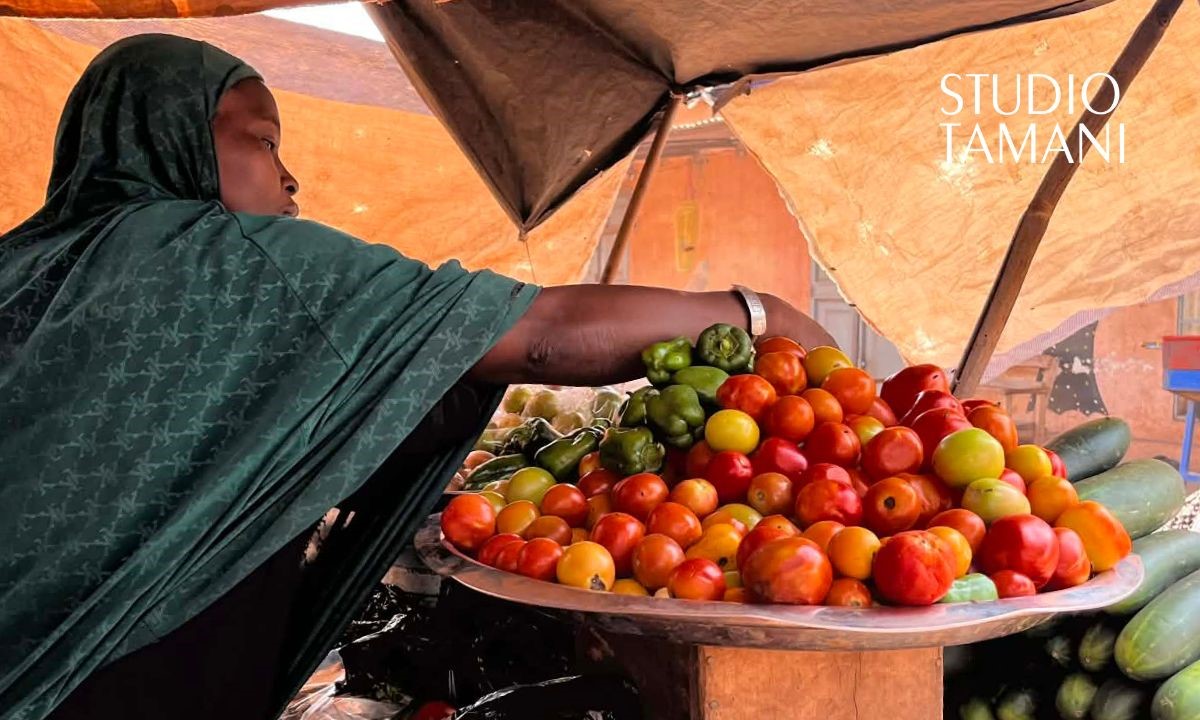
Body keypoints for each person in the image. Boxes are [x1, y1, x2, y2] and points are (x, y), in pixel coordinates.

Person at [0, 34, 835, 720]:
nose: (289, 180)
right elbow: (540, 336)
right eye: (261, 140)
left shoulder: (26, 269)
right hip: (131, 680)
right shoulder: (236, 261)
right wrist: (761, 316)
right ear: (176, 136)